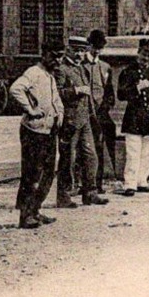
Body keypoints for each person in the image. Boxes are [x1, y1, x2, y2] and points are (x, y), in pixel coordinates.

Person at [10, 46, 64, 228]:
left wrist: (59, 117)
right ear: (43, 55)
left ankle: (35, 210)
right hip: (33, 131)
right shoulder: (33, 72)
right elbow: (16, 89)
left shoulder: (50, 75)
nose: (56, 61)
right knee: (32, 173)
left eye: (60, 57)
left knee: (48, 172)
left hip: (49, 131)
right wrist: (30, 109)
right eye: (53, 56)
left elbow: (54, 100)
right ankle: (25, 216)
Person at [55, 36, 105, 207]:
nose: (79, 54)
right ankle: (64, 195)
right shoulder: (61, 69)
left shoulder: (82, 69)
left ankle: (90, 192)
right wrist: (75, 90)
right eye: (75, 50)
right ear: (68, 49)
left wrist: (92, 115)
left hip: (85, 120)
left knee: (91, 156)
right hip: (70, 121)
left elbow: (89, 94)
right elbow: (57, 93)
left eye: (82, 51)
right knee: (68, 158)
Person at [117, 39, 149, 195]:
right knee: (133, 152)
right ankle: (130, 184)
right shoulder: (128, 72)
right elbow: (121, 94)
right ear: (138, 53)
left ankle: (141, 180)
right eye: (144, 54)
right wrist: (137, 88)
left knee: (147, 152)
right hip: (135, 116)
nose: (146, 58)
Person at [85, 29, 118, 192]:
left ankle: (97, 183)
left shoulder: (105, 67)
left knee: (101, 146)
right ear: (89, 45)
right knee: (84, 149)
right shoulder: (82, 65)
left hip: (100, 113)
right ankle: (80, 183)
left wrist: (105, 106)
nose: (97, 51)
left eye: (100, 48)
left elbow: (110, 92)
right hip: (85, 113)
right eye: (94, 47)